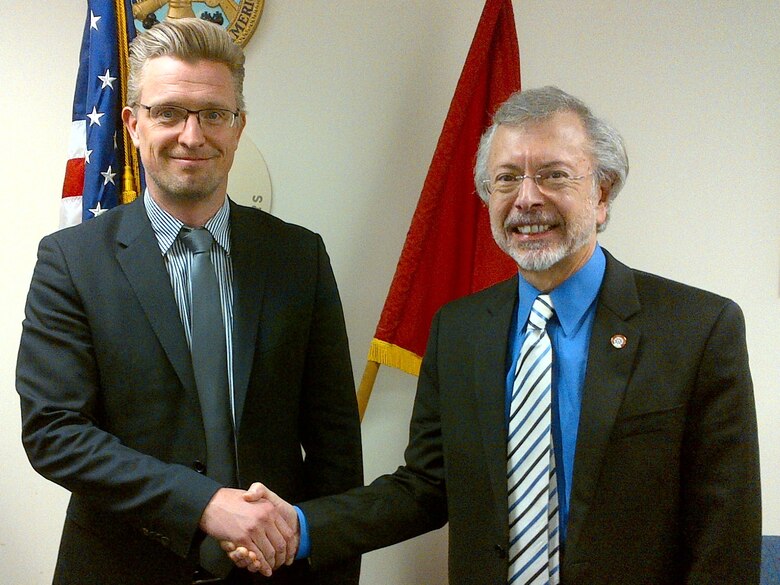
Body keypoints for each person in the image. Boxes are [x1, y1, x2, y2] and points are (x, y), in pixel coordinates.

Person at [232, 86, 762, 584]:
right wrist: (301, 527)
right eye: (506, 179)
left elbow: (724, 533)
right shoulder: (459, 330)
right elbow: (425, 487)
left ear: (602, 194)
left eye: (554, 175)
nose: (526, 199)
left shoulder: (698, 329)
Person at [16, 18, 362, 585]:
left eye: (213, 114)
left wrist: (333, 569)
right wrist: (204, 503)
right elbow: (54, 431)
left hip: (278, 572)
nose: (193, 136)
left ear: (239, 125)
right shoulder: (71, 262)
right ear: (132, 123)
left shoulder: (299, 257)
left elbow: (336, 449)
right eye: (169, 112)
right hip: (119, 568)